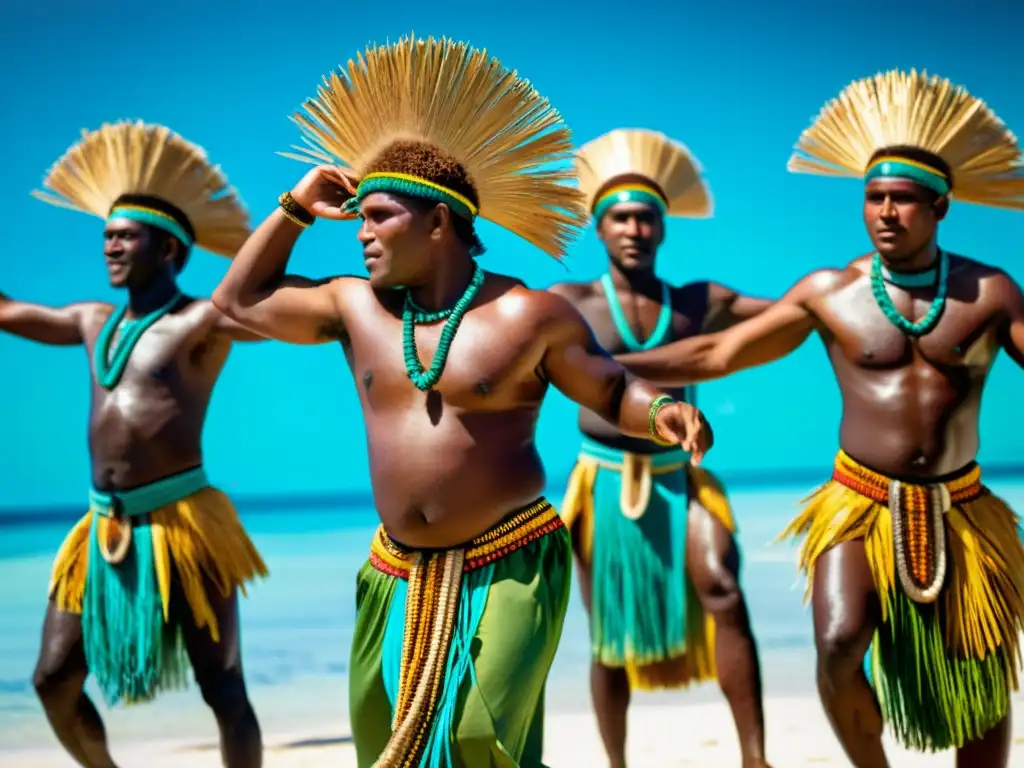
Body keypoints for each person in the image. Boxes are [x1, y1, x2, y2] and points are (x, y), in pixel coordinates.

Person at [212, 35, 714, 768]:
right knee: (383, 747)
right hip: (395, 571)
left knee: (483, 741)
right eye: (359, 218)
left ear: (438, 223)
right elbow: (237, 303)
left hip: (508, 559)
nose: (361, 234)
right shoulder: (354, 308)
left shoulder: (528, 314)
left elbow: (608, 385)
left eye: (379, 216)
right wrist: (293, 209)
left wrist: (663, 412)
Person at [616, 69, 1024, 767]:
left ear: (941, 208)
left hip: (962, 505)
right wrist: (606, 366)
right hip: (857, 502)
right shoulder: (830, 292)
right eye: (874, 198)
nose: (886, 213)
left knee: (980, 682)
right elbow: (719, 350)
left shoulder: (988, 292)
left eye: (903, 200)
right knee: (838, 643)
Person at [4, 121, 269, 768]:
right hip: (101, 526)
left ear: (171, 249)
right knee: (52, 679)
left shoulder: (203, 322)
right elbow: (7, 311)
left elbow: (280, 309)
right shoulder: (92, 321)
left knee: (223, 687)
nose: (111, 247)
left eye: (126, 236)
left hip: (186, 523)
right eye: (107, 236)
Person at [548, 128, 772, 768]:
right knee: (607, 638)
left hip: (683, 475)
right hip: (602, 483)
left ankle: (755, 758)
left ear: (664, 227)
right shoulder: (570, 303)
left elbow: (794, 314)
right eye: (620, 217)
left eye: (646, 217)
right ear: (598, 227)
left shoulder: (699, 302)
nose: (634, 229)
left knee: (723, 587)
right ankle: (616, 763)